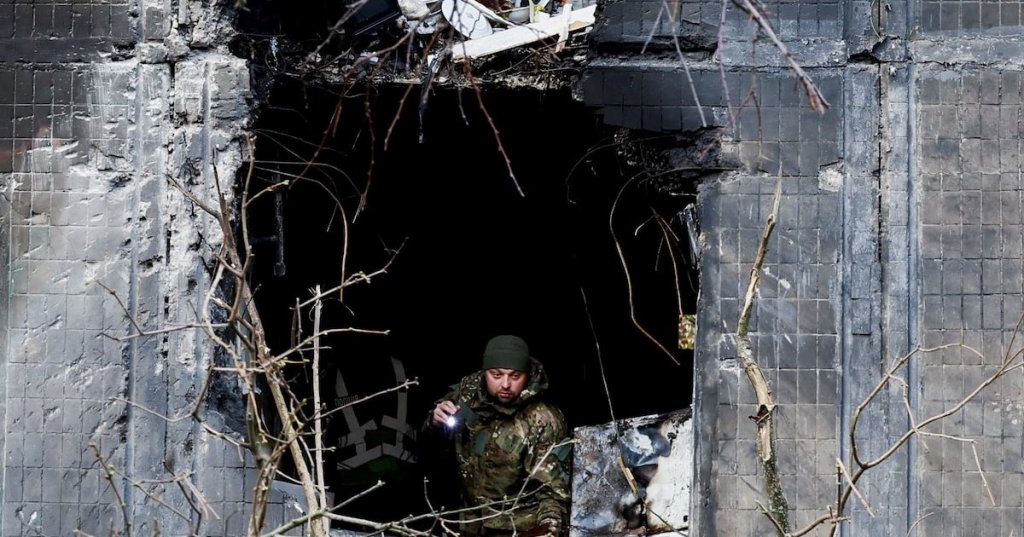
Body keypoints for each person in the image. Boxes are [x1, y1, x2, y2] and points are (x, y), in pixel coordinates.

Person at [427, 334, 571, 537]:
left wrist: (549, 528)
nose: (505, 384)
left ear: (527, 375)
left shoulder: (543, 419)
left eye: (514, 376)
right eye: (496, 375)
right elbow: (427, 449)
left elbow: (552, 491)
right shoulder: (464, 399)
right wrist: (434, 422)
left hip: (518, 528)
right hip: (467, 524)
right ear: (485, 372)